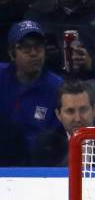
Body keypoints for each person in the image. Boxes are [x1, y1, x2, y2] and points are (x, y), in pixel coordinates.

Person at [0, 20, 63, 157]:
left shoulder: (56, 87)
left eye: (38, 46)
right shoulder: (1, 76)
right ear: (12, 53)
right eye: (26, 47)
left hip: (35, 164)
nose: (34, 53)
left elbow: (53, 141)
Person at [31, 80, 95, 166]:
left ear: (94, 110)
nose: (77, 119)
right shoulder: (45, 145)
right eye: (70, 111)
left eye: (83, 110)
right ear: (58, 115)